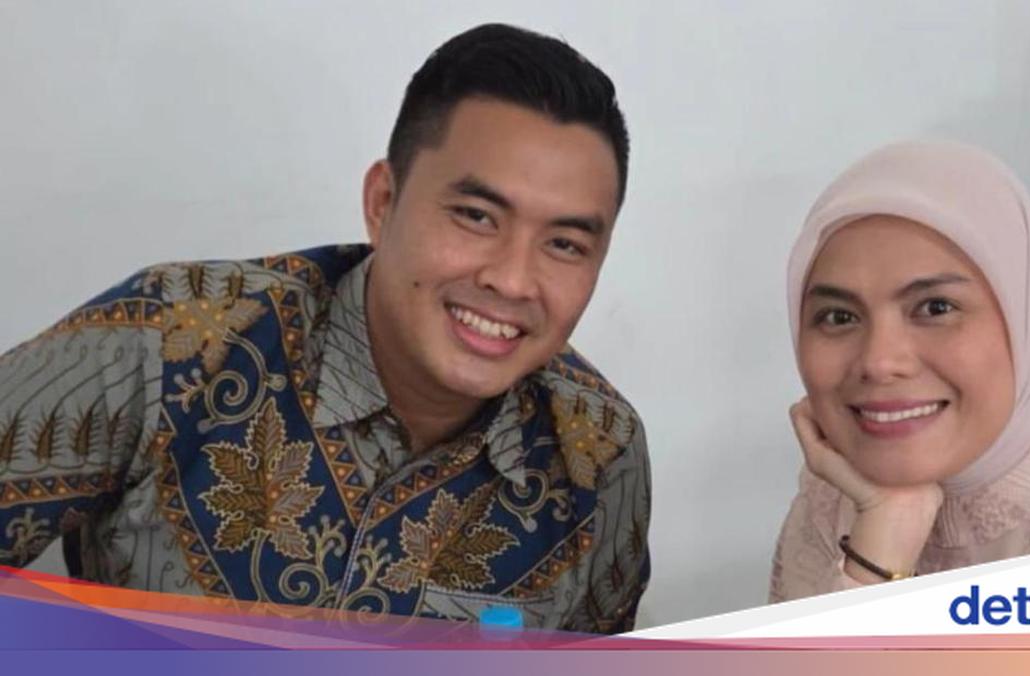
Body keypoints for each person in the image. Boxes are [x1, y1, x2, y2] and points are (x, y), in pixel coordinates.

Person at [0, 23, 650, 634]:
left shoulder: (599, 455)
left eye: (564, 244)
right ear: (383, 203)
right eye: (476, 216)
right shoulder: (171, 342)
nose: (512, 280)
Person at [769, 140, 1030, 600]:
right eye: (839, 317)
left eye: (935, 308)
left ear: (1027, 322)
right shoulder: (831, 496)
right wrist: (884, 534)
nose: (879, 362)